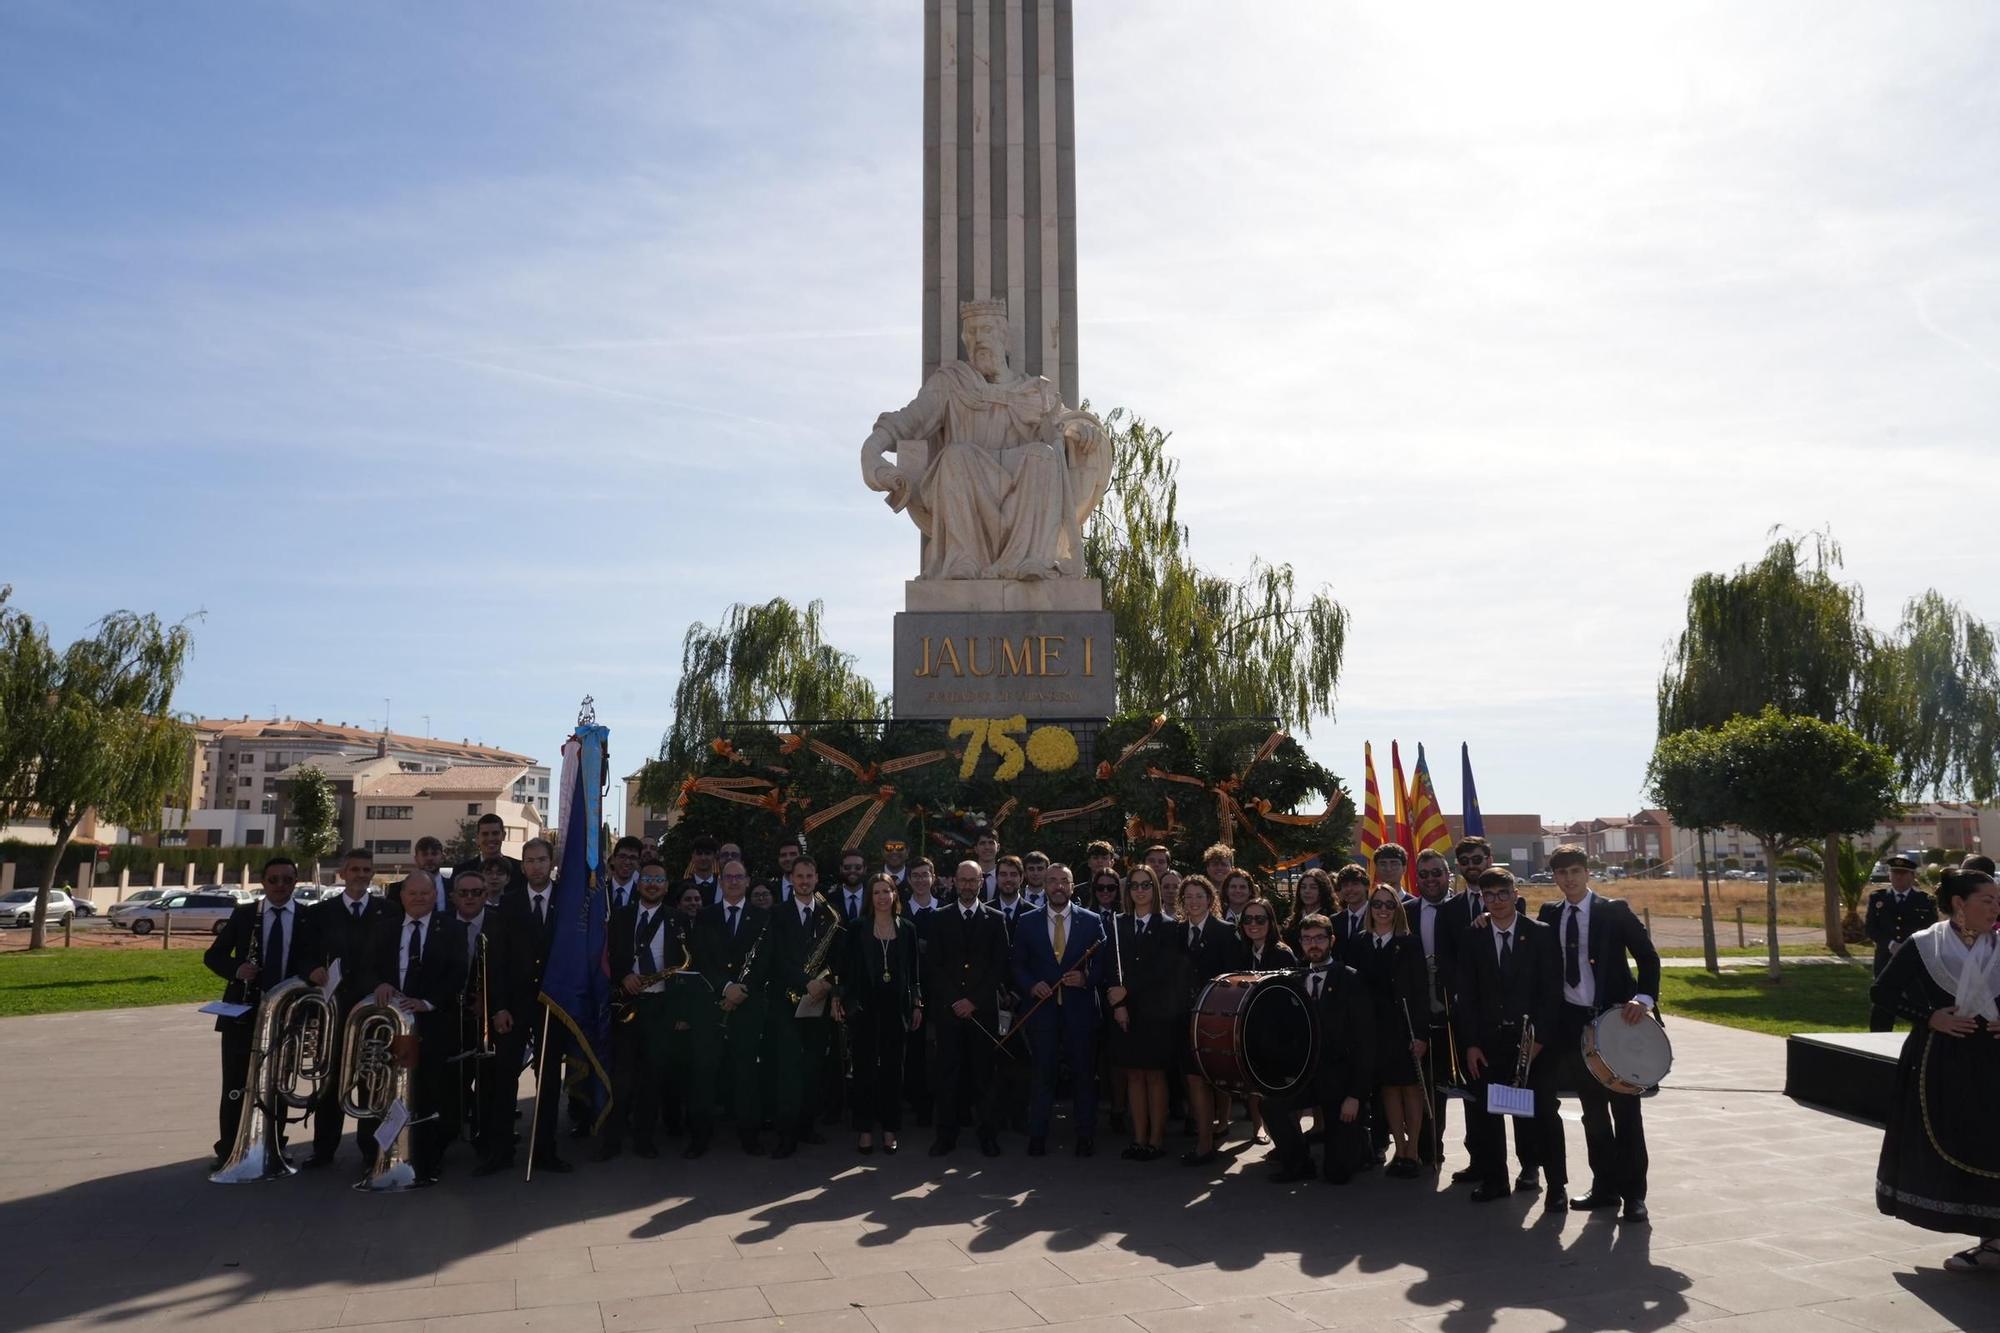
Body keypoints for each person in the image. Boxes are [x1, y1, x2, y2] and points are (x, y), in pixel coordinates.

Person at [1872, 868, 2000, 1271]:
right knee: (1965, 1144)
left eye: (1998, 900)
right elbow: (1883, 993)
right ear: (1960, 904)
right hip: (1942, 1064)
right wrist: (1930, 1017)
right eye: (1988, 900)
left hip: (1995, 1061)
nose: (1996, 908)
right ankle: (1993, 1242)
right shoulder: (1925, 946)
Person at [1538, 844, 1661, 1224]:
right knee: (1593, 1111)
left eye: (1575, 871)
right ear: (1554, 878)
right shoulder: (1549, 914)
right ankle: (1604, 1187)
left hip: (1617, 1023)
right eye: (1561, 873)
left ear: (1587, 873)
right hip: (1574, 1027)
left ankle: (1634, 1195)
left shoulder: (1614, 911)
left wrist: (1643, 997)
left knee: (1626, 1111)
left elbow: (1648, 957)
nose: (1568, 879)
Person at [204, 857, 325, 1171]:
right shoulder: (245, 915)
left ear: (296, 882)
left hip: (286, 1013)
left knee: (279, 1082)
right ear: (263, 881)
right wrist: (237, 969)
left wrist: (312, 971)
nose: (281, 886)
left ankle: (274, 1145)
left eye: (287, 880)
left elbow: (309, 958)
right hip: (243, 1010)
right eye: (274, 880)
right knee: (236, 1082)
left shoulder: (307, 918)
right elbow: (213, 956)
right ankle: (229, 1148)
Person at [1457, 869, 1566, 1212]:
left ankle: (1556, 1185)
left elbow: (1552, 994)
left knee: (1543, 1115)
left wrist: (1540, 1041)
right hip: (1490, 1045)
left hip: (1534, 1045)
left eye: (1503, 893)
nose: (1498, 901)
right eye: (1490, 896)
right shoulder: (1473, 937)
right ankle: (1495, 1181)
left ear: (1515, 893)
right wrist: (1471, 1043)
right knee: (1490, 1114)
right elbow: (1468, 995)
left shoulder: (1541, 935)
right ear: (1483, 899)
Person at [358, 870, 467, 1182]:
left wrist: (428, 1002)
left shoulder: (453, 929)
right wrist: (378, 984)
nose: (418, 899)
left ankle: (428, 1158)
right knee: (383, 1090)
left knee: (430, 1092)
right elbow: (365, 968)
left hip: (431, 1026)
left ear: (435, 896)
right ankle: (377, 1155)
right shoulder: (384, 929)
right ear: (402, 896)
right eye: (412, 894)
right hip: (389, 1027)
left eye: (425, 894)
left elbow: (458, 973)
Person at [1264, 914, 1374, 1185]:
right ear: (1300, 943)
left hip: (1341, 1083)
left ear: (1331, 940)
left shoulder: (1351, 980)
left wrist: (1356, 1095)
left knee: (1338, 1174)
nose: (1314, 944)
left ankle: (1361, 1143)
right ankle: (1299, 1162)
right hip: (1307, 1077)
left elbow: (1365, 1042)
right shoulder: (1293, 979)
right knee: (1272, 1104)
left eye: (1320, 938)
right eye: (1307, 939)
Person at [1011, 865, 1106, 1157]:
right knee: (1043, 1074)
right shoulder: (1027, 921)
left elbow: (1104, 963)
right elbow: (1017, 964)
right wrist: (1031, 985)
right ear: (1042, 884)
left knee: (1082, 1074)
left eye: (1064, 880)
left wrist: (1086, 979)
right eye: (1052, 881)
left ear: (1073, 885)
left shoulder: (1091, 921)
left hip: (1079, 1011)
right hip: (1043, 1011)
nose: (1058, 886)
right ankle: (1038, 1134)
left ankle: (1085, 1135)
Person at [305, 847, 388, 1169]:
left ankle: (370, 1150)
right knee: (330, 1081)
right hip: (334, 1010)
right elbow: (304, 953)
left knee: (370, 1078)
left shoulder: (387, 911)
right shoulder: (320, 913)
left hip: (372, 1011)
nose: (361, 876)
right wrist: (311, 970)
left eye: (366, 870)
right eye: (355, 870)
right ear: (342, 874)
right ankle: (324, 1149)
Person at [448, 868, 533, 1176]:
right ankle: (447, 1137)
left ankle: (498, 1150)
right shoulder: (443, 927)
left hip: (497, 1017)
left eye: (477, 892)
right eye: (464, 893)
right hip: (453, 1018)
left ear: (487, 895)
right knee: (452, 1082)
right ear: (453, 896)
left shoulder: (503, 925)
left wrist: (498, 1007)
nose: (470, 898)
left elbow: (516, 971)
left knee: (496, 1085)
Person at [600, 862, 686, 1161]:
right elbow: (607, 958)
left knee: (651, 1078)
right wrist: (623, 975)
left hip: (661, 1006)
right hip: (628, 1004)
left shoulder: (678, 920)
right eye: (647, 879)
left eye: (658, 880)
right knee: (621, 1077)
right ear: (638, 884)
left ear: (666, 885)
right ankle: (611, 1140)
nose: (652, 884)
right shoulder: (620, 918)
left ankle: (644, 1139)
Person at [925, 860, 1010, 1158]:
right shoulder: (939, 918)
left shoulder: (995, 918)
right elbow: (933, 966)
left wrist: (974, 1000)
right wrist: (955, 1000)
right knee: (947, 1076)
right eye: (962, 880)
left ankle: (988, 1135)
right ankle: (945, 1136)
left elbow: (999, 966)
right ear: (953, 882)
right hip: (949, 1013)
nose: (967, 885)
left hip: (982, 1012)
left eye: (972, 880)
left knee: (984, 1077)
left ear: (981, 883)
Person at [499, 837, 573, 1173]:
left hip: (553, 1003)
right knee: (503, 1077)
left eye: (541, 860)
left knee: (549, 1081)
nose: (535, 866)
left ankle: (545, 1149)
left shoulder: (567, 901)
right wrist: (499, 1006)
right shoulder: (507, 904)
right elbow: (495, 962)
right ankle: (498, 1151)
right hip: (514, 1004)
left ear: (552, 861)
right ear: (522, 865)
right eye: (529, 861)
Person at [834, 874, 922, 1154]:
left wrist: (918, 1003)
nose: (882, 897)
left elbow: (914, 972)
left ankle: (890, 1128)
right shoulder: (858, 927)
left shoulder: (907, 928)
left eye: (887, 891)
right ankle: (863, 1129)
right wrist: (840, 998)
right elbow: (845, 970)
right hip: (864, 1009)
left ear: (895, 895)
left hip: (896, 1009)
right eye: (876, 892)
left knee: (894, 1072)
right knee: (864, 1071)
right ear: (869, 898)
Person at [1346, 887, 1429, 1178]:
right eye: (1377, 904)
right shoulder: (1358, 943)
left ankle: (1414, 1150)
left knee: (1411, 1090)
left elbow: (1420, 992)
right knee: (1388, 1090)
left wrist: (1421, 1035)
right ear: (1370, 908)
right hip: (1374, 1030)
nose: (1383, 910)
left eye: (1389, 905)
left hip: (1403, 1027)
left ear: (1398, 910)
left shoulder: (1410, 943)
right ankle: (1399, 1147)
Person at [696, 858, 770, 1156]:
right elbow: (701, 958)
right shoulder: (705, 916)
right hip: (713, 1005)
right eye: (729, 877)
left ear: (748, 880)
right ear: (721, 881)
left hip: (748, 1007)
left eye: (739, 877)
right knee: (705, 1072)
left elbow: (765, 961)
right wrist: (725, 988)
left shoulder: (763, 917)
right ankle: (699, 1137)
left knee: (746, 1074)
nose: (734, 882)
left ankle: (749, 1136)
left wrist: (743, 990)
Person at [769, 854, 840, 1158]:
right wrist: (803, 982)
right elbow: (775, 959)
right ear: (790, 879)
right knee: (788, 1071)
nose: (805, 881)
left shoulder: (829, 915)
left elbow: (838, 956)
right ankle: (787, 1135)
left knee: (813, 1068)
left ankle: (807, 1127)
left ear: (816, 878)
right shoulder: (777, 914)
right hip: (787, 1002)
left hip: (818, 1001)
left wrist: (827, 985)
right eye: (799, 876)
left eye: (810, 876)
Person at [1107, 866, 1176, 1161]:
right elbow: (1112, 966)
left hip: (1156, 1012)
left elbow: (1164, 971)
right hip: (1126, 1013)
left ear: (1155, 889)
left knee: (1155, 1077)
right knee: (1134, 1075)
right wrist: (1118, 1004)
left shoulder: (1169, 926)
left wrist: (1129, 990)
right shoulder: (1116, 923)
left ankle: (1156, 1140)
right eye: (1134, 885)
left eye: (1146, 885)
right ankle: (1138, 1138)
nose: (1140, 890)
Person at [1177, 874, 1235, 1166]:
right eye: (1188, 897)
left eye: (1199, 896)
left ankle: (1221, 1125)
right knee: (1194, 1079)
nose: (1194, 902)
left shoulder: (1225, 931)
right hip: (1185, 1020)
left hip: (1216, 1019)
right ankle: (1203, 1143)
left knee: (1217, 1077)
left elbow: (1233, 976)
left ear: (1210, 900)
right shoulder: (1175, 932)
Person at [1231, 899, 1297, 1146]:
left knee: (1277, 1098)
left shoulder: (1281, 953)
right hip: (1251, 1033)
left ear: (1271, 922)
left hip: (1276, 1038)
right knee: (1257, 1090)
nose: (1253, 924)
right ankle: (1272, 1139)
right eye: (1248, 919)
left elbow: (1286, 1001)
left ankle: (1288, 1148)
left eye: (1260, 919)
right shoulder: (1243, 952)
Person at [1868, 854, 1940, 1032]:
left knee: (1918, 1000)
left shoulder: (1925, 900)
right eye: (1895, 872)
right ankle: (1878, 1039)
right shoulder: (1878, 898)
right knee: (1883, 1000)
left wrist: (1909, 947)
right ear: (1889, 875)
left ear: (1912, 876)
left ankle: (1922, 1038)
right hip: (1886, 957)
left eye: (1903, 873)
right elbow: (1871, 929)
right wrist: (1891, 944)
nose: (1898, 876)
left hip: (1915, 959)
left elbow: (1931, 929)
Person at [452, 814, 525, 897]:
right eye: (485, 834)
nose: (490, 838)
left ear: (504, 835)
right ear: (477, 838)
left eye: (495, 833)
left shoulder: (519, 869)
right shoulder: (461, 871)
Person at [390, 836, 447, 912]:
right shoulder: (397, 890)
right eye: (424, 854)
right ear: (416, 859)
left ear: (442, 857)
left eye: (434, 854)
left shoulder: (456, 888)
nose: (429, 858)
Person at [1284, 869, 1334, 954]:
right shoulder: (1292, 921)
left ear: (1323, 890)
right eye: (1303, 887)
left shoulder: (1332, 918)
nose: (1307, 891)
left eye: (1313, 887)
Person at [1332, 864, 1372, 944]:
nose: (1349, 889)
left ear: (1367, 886)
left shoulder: (1376, 917)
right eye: (1345, 885)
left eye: (1355, 884)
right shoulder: (1334, 920)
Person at [604, 835, 644, 913]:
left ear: (638, 862)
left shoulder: (642, 896)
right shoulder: (600, 891)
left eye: (632, 857)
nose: (627, 862)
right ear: (613, 859)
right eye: (622, 856)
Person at [681, 835, 722, 907]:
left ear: (715, 856)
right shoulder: (682, 886)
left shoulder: (722, 886)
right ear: (692, 856)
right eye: (699, 853)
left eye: (707, 853)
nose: (703, 858)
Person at [831, 850, 871, 925]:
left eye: (858, 867)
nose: (852, 871)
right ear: (841, 869)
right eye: (847, 867)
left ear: (865, 869)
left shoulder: (873, 898)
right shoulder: (830, 900)